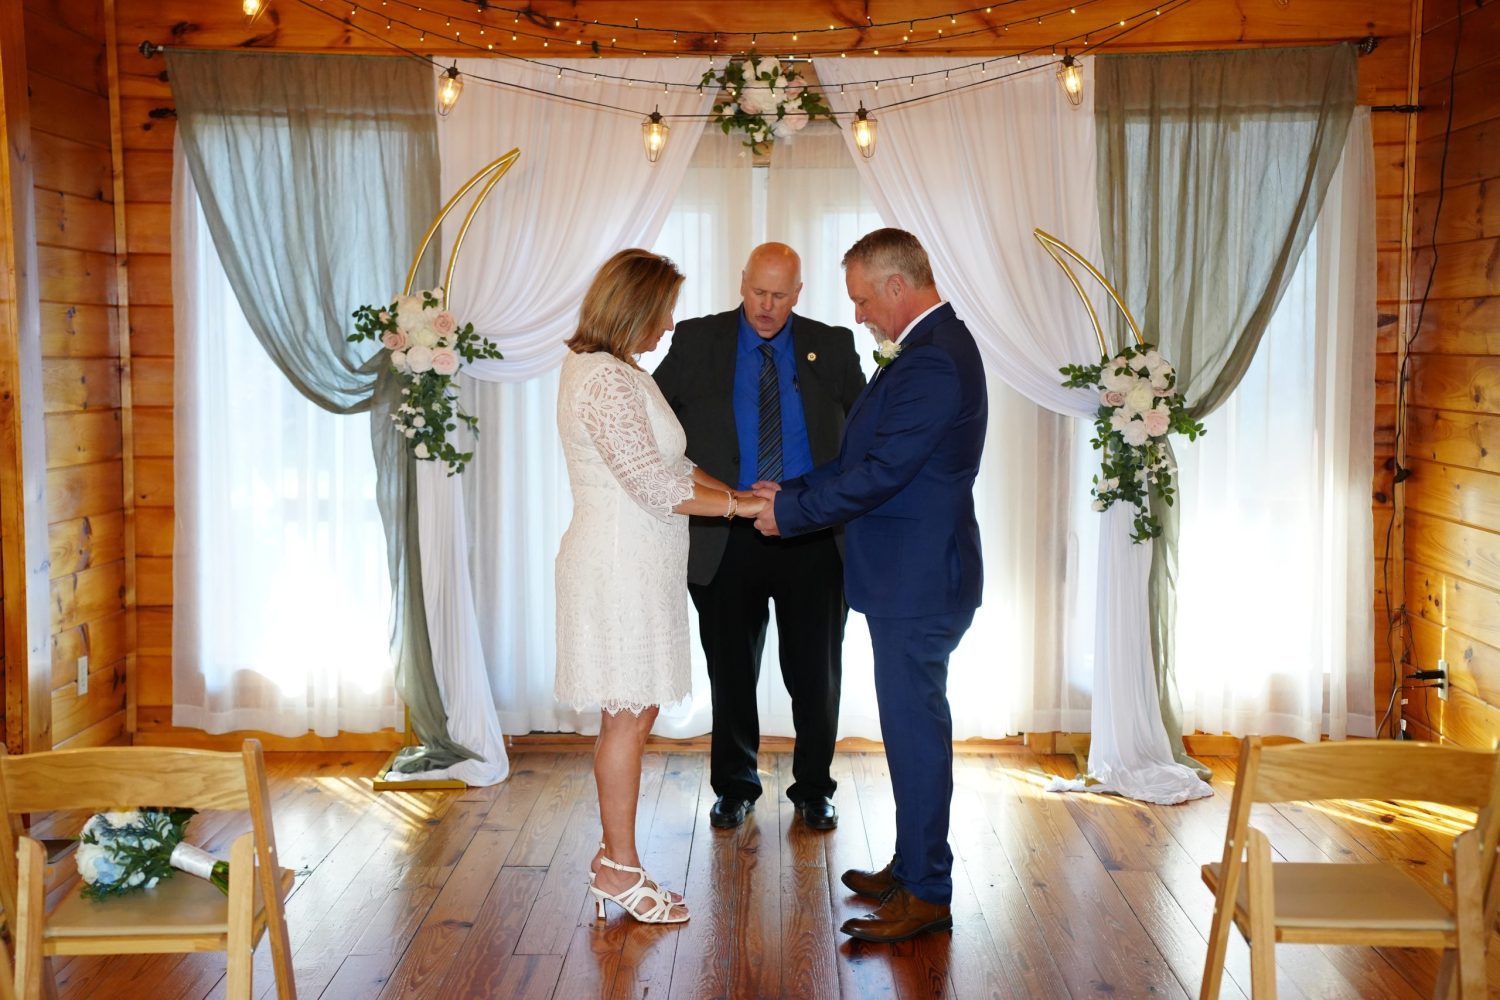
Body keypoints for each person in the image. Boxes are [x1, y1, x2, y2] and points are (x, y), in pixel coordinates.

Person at [753, 229, 987, 943]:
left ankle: (929, 892)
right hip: (909, 577)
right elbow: (864, 457)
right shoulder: (928, 351)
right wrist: (789, 488)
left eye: (860, 298)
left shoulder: (933, 362)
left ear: (895, 286)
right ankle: (913, 868)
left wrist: (788, 511)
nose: (856, 315)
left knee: (916, 736)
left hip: (917, 582)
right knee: (910, 732)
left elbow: (882, 475)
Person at [555, 248, 767, 925]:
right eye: (664, 308)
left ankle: (615, 861)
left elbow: (677, 462)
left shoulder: (622, 373)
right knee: (625, 717)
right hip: (616, 564)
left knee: (635, 713)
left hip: (641, 563)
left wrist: (734, 491)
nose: (671, 322)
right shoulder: (605, 382)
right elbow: (652, 485)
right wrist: (742, 510)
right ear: (634, 307)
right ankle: (619, 867)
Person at [653, 243, 865, 832]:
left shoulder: (835, 345)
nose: (766, 307)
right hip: (726, 529)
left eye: (779, 296)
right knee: (731, 668)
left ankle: (815, 787)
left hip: (811, 532)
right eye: (757, 292)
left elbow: (865, 433)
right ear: (741, 282)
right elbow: (654, 420)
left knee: (815, 671)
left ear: (798, 293)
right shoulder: (698, 340)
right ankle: (735, 786)